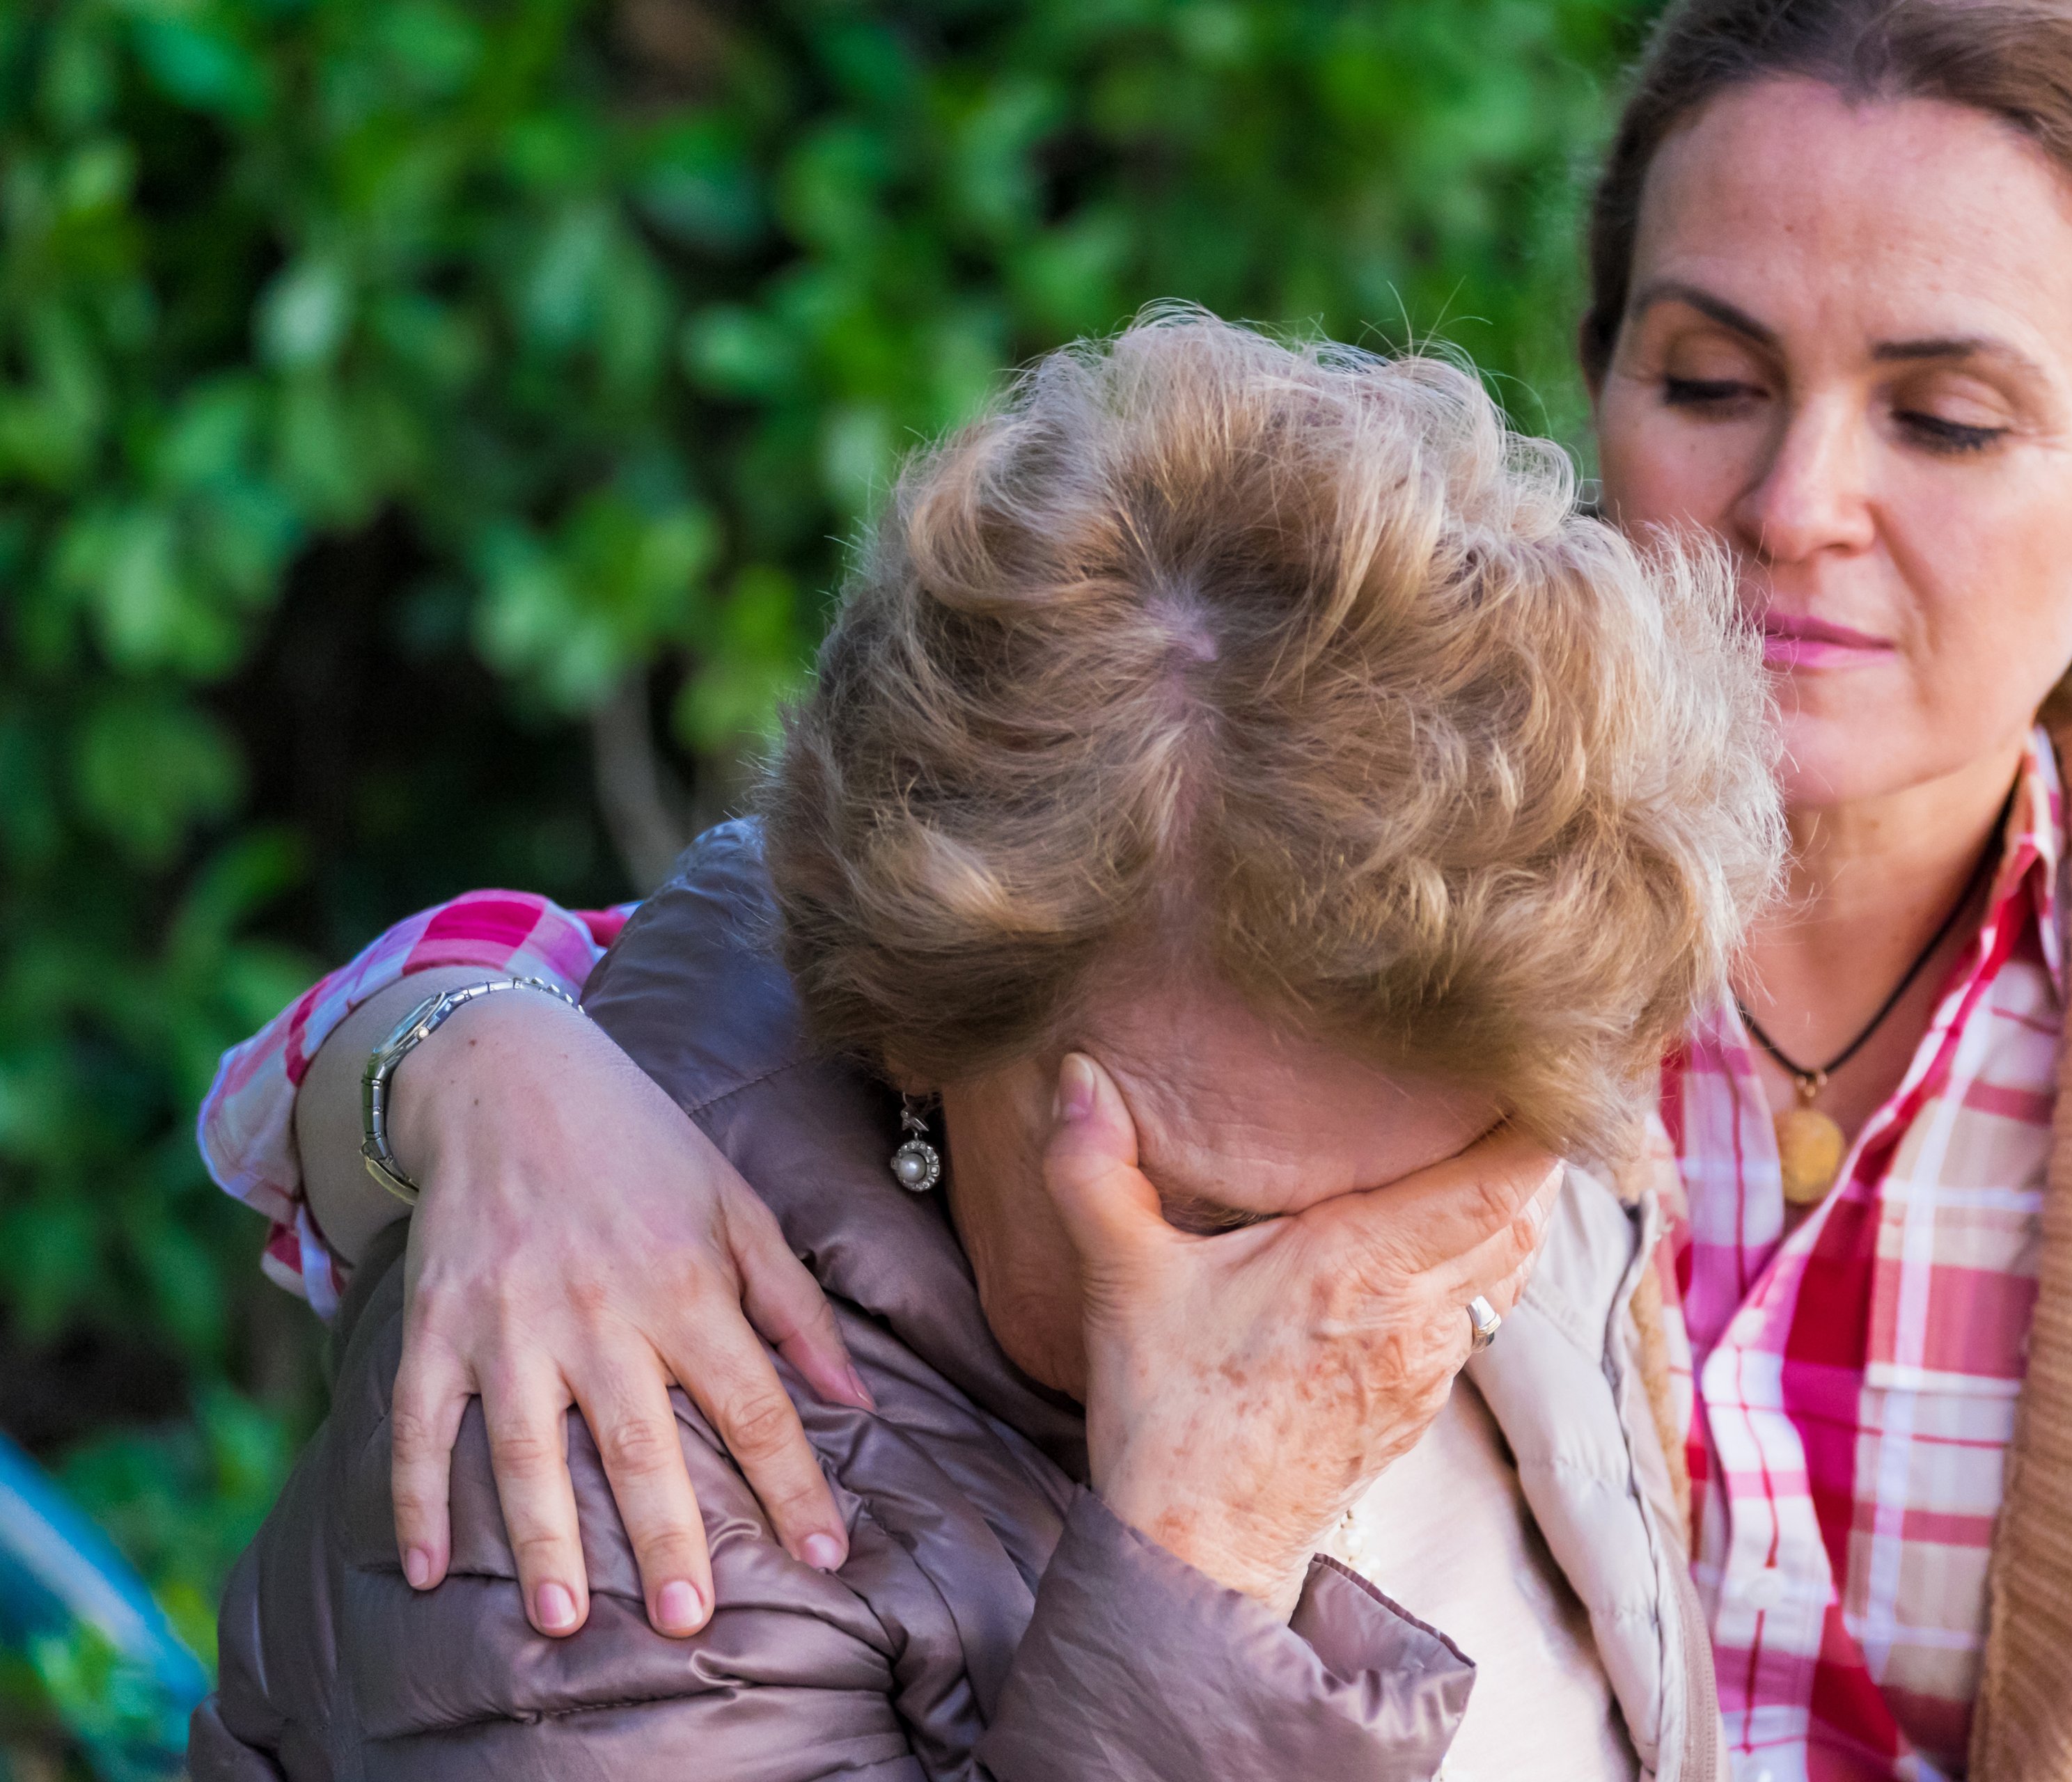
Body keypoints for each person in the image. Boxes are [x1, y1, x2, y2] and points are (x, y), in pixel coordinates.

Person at [198, 0, 2072, 1774]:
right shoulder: (1407, 837)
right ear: (1600, 382)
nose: (1798, 504)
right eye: (1710, 379)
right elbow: (752, 979)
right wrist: (475, 1066)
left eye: (1947, 418)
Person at [189, 315, 1778, 1780]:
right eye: (1216, 1216)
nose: (1366, 1315)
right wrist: (1201, 1565)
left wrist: (457, 1041)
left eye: (1440, 1206)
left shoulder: (1500, 1026)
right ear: (918, 1020)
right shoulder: (601, 1467)